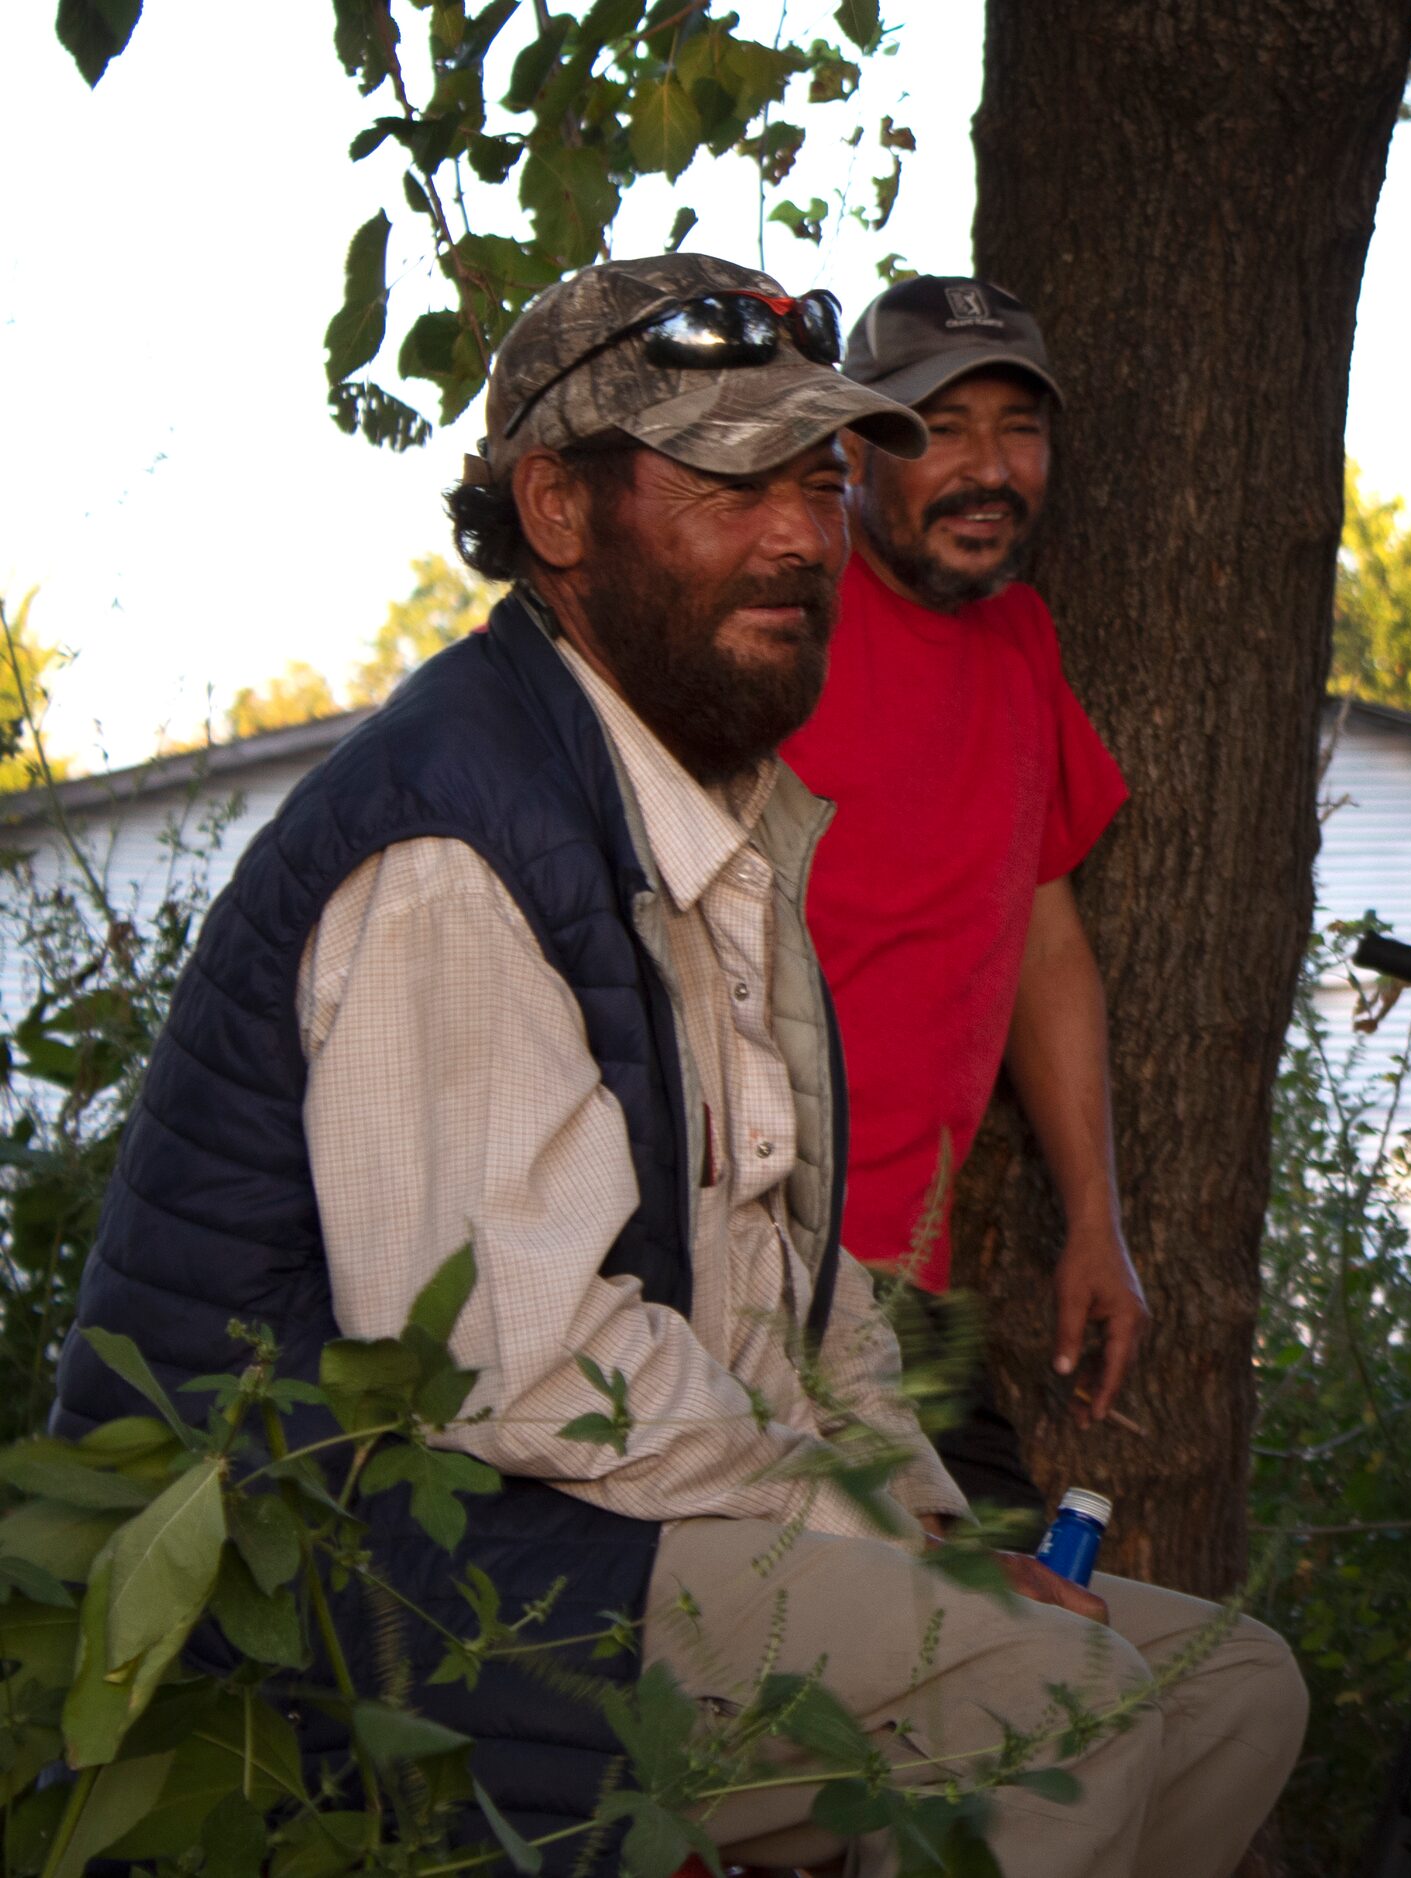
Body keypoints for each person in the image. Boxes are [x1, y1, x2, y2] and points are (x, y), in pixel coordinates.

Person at [52, 253, 1302, 1878]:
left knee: (1224, 1686)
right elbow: (535, 1373)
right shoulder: (455, 837)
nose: (798, 531)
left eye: (810, 472)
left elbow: (787, 1279)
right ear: (558, 513)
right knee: (1043, 1692)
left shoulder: (703, 823)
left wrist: (925, 1521)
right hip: (368, 1604)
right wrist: (889, 1556)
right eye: (728, 479)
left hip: (588, 1531)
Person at [780, 276, 1142, 1518]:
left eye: (1019, 428)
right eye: (940, 428)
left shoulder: (1020, 641)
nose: (989, 468)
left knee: (1024, 1643)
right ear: (852, 448)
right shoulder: (786, 620)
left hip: (905, 1288)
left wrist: (1098, 1220)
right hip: (759, 1269)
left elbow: (1042, 937)